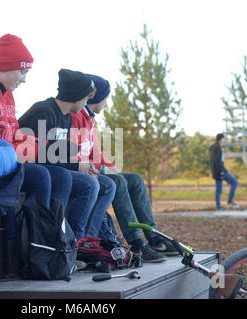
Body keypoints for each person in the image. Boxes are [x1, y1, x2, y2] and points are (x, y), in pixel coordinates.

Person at [0, 34, 72, 212]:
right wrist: (23, 154)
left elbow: (14, 133)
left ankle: (55, 234)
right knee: (41, 176)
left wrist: (44, 146)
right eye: (22, 72)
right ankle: (34, 237)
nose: (24, 79)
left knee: (62, 177)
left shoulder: (7, 94)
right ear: (6, 66)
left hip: (7, 159)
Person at [71, 74, 179, 263]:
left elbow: (96, 152)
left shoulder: (90, 119)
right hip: (84, 171)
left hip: (96, 167)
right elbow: (75, 152)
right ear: (96, 97)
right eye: (106, 97)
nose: (106, 101)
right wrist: (98, 169)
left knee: (135, 179)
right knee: (119, 182)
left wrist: (112, 168)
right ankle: (137, 244)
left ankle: (153, 238)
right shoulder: (77, 117)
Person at [18, 69, 116, 240]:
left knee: (106, 184)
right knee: (89, 184)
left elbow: (60, 153)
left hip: (55, 167)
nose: (87, 102)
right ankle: (72, 240)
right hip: (34, 169)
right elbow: (39, 154)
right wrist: (77, 166)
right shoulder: (43, 111)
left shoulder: (66, 117)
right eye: (86, 98)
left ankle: (86, 240)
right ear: (76, 96)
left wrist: (85, 165)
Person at [210, 133, 239, 210]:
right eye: (224, 139)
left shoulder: (216, 147)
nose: (224, 140)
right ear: (221, 139)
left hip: (219, 171)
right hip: (219, 172)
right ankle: (227, 202)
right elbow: (217, 162)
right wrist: (222, 173)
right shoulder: (217, 148)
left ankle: (220, 205)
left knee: (219, 189)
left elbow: (219, 161)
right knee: (234, 182)